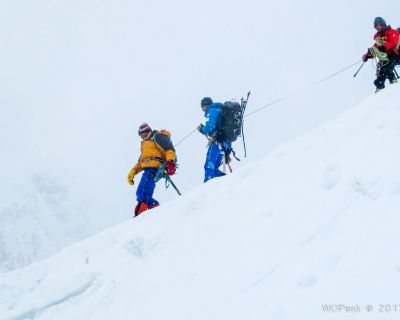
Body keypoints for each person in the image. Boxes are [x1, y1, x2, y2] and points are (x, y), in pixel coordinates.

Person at [127, 123, 177, 217]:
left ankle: (145, 212)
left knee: (142, 193)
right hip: (148, 169)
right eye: (140, 134)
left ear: (148, 131)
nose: (142, 136)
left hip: (154, 168)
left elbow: (169, 150)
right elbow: (141, 161)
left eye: (143, 133)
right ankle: (153, 209)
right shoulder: (144, 144)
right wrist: (133, 172)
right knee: (143, 193)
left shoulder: (157, 136)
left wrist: (170, 162)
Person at [197, 97, 232, 183]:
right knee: (214, 168)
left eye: (202, 107)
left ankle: (207, 187)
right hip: (225, 145)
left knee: (209, 166)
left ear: (206, 105)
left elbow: (210, 128)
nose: (202, 110)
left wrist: (201, 129)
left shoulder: (212, 110)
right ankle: (227, 181)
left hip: (217, 143)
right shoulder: (221, 111)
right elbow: (229, 135)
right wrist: (228, 152)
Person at [362, 17, 400, 93]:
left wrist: (383, 47)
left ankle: (380, 85)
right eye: (376, 26)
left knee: (386, 65)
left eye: (378, 25)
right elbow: (375, 48)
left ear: (383, 24)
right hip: (389, 57)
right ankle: (393, 82)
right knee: (380, 65)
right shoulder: (380, 38)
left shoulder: (392, 32)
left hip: (396, 55)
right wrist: (368, 55)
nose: (377, 28)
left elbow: (393, 44)